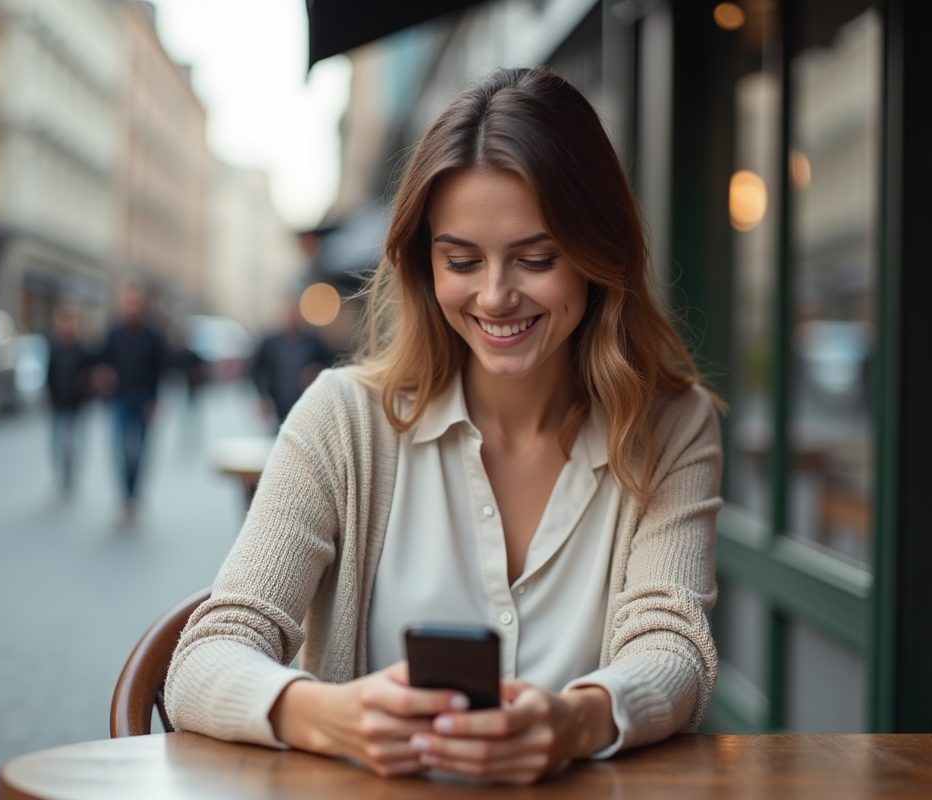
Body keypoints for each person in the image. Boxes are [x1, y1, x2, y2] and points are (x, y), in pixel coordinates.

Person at [165, 67, 723, 784]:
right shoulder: (343, 418)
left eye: (537, 258)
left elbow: (672, 644)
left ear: (599, 255)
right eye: (462, 259)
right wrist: (332, 716)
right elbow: (205, 656)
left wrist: (574, 722)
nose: (495, 296)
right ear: (424, 266)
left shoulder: (674, 424)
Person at [96, 283, 166, 525]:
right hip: (120, 400)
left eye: (136, 301)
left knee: (140, 453)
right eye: (128, 301)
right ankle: (125, 497)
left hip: (144, 399)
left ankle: (134, 496)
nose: (132, 305)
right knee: (120, 450)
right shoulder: (113, 333)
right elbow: (103, 362)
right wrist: (103, 377)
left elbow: (160, 370)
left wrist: (156, 401)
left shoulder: (153, 335)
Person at [251, 297, 334, 428]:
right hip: (278, 402)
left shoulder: (313, 342)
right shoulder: (271, 343)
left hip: (305, 402)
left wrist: (316, 371)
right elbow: (256, 370)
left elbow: (329, 365)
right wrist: (262, 397)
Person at [45, 305, 92, 497]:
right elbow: (49, 375)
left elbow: (88, 377)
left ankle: (71, 474)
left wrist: (85, 394)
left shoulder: (81, 349)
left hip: (76, 404)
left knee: (75, 442)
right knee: (57, 442)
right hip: (58, 403)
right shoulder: (54, 347)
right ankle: (61, 475)